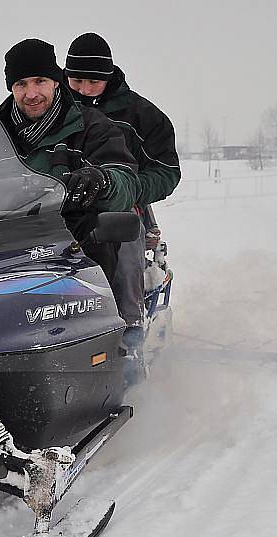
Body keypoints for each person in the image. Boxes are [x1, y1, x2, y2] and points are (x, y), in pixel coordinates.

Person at [0, 38, 140, 282]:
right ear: (11, 88)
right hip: (4, 250)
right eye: (21, 84)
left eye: (39, 81)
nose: (31, 94)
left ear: (55, 81)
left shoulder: (91, 127)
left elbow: (126, 180)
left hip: (75, 250)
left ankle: (127, 318)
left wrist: (103, 180)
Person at [64, 32, 181, 351]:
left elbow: (167, 171)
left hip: (118, 205)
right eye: (76, 81)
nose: (84, 90)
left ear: (108, 77)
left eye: (93, 82)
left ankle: (129, 324)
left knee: (122, 234)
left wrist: (130, 189)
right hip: (57, 203)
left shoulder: (142, 116)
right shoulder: (52, 107)